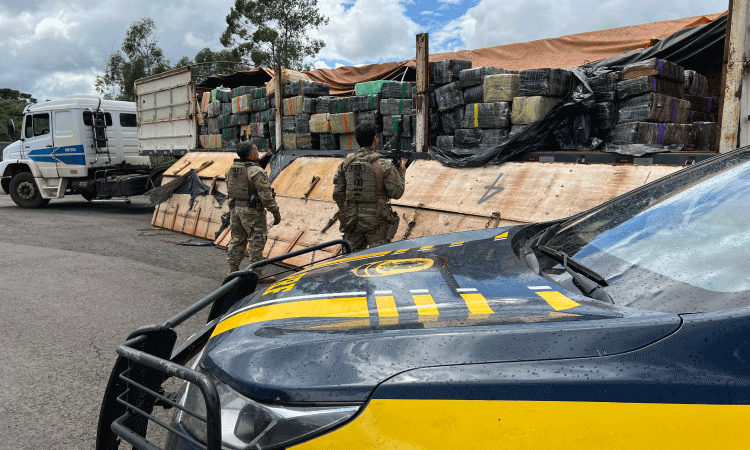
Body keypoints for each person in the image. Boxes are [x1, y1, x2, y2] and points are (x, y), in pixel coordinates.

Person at [332, 122, 406, 251]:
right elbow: (397, 193)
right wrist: (402, 173)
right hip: (376, 223)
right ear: (375, 140)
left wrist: (349, 210)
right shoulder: (384, 165)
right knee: (377, 261)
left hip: (352, 221)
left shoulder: (346, 164)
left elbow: (338, 193)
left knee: (350, 261)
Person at [225, 141, 281, 280]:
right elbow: (266, 196)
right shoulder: (256, 172)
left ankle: (233, 269)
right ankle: (257, 272)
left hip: (235, 209)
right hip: (252, 211)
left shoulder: (231, 170)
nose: (257, 152)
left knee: (237, 239)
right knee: (256, 241)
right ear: (251, 154)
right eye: (256, 150)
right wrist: (275, 212)